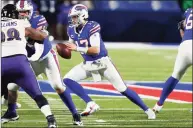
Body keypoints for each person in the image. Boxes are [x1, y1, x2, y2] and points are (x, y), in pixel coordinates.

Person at [62, 4, 156, 119]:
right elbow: (70, 46)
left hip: (103, 63)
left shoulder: (92, 26)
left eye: (75, 16)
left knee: (122, 89)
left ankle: (147, 110)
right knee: (67, 79)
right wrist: (64, 50)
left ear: (83, 15)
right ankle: (91, 104)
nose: (73, 19)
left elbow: (96, 50)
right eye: (72, 17)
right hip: (88, 64)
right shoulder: (71, 29)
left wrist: (76, 48)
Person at [3, 0, 82, 126]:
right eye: (20, 12)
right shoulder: (17, 23)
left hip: (45, 57)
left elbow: (38, 42)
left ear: (31, 11)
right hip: (30, 60)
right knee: (12, 87)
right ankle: (11, 112)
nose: (23, 14)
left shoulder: (38, 19)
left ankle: (75, 114)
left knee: (58, 86)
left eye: (25, 12)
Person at [1, 4, 57, 128]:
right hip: (20, 63)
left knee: (6, 90)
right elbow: (40, 36)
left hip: (2, 64)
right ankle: (51, 119)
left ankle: (10, 111)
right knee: (37, 95)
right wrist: (44, 33)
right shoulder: (21, 23)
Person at [153, 8, 192, 112]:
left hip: (184, 45)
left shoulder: (189, 11)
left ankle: (158, 105)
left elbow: (181, 25)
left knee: (175, 75)